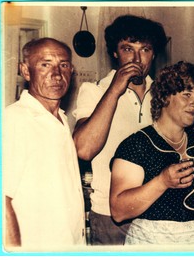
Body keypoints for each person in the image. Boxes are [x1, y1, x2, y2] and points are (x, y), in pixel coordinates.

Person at [109, 61, 194, 245]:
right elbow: (118, 211)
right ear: (165, 96)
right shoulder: (137, 144)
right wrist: (162, 182)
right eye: (187, 95)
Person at [72, 15, 167, 245]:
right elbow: (83, 150)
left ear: (153, 54)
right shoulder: (95, 91)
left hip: (159, 214)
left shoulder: (165, 95)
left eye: (145, 49)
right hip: (110, 217)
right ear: (115, 53)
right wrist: (115, 89)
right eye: (127, 49)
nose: (136, 58)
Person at [3, 38, 86, 250]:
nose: (57, 75)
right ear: (26, 71)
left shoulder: (61, 120)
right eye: (45, 64)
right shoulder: (15, 120)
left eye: (64, 65)